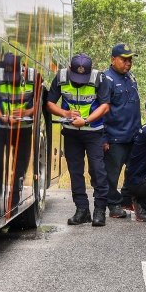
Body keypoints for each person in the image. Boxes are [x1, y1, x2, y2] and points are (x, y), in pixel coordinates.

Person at [46, 53, 111, 226]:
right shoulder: (60, 77)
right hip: (71, 133)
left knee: (97, 170)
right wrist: (65, 113)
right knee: (75, 171)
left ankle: (99, 210)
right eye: (77, 76)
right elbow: (50, 103)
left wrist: (87, 120)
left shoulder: (99, 78)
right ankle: (82, 210)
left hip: (93, 132)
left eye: (84, 77)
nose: (80, 81)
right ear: (69, 69)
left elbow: (105, 106)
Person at [0, 53, 34, 214]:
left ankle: (13, 204)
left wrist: (25, 111)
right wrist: (2, 117)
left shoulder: (31, 78)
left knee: (19, 167)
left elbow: (39, 104)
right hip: (1, 127)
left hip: (23, 129)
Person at [102, 43, 141, 219]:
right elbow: (101, 110)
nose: (128, 63)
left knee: (133, 171)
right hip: (115, 137)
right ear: (113, 59)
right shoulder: (106, 80)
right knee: (112, 175)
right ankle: (113, 204)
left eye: (130, 59)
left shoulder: (131, 78)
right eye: (124, 59)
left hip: (133, 136)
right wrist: (103, 137)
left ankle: (126, 200)